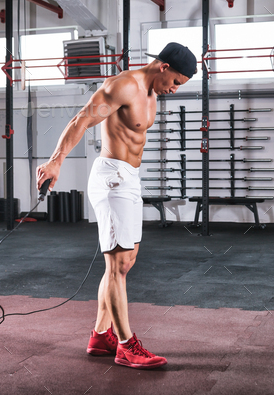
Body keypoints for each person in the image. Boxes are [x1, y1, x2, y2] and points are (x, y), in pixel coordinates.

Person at [36, 42, 197, 369]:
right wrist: (56, 162)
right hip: (111, 179)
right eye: (176, 82)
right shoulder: (123, 85)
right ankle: (126, 345)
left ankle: (100, 335)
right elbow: (83, 119)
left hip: (130, 179)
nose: (175, 90)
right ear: (163, 67)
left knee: (125, 262)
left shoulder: (152, 92)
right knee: (118, 265)